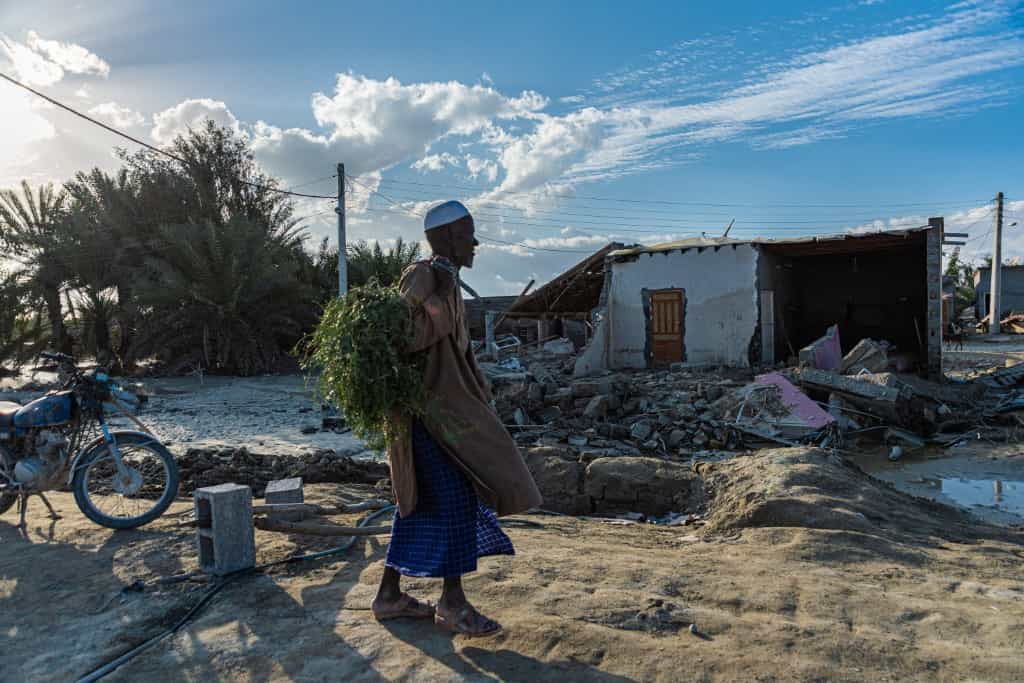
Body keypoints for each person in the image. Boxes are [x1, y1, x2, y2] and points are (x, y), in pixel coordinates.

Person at [371, 200, 543, 638]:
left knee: (423, 503)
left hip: (451, 414)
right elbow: (401, 338)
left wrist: (479, 385)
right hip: (429, 419)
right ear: (447, 238)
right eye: (469, 234)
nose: (476, 242)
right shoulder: (424, 276)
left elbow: (457, 352)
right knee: (449, 501)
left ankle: (389, 595)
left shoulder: (447, 281)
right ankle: (452, 603)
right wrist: (443, 295)